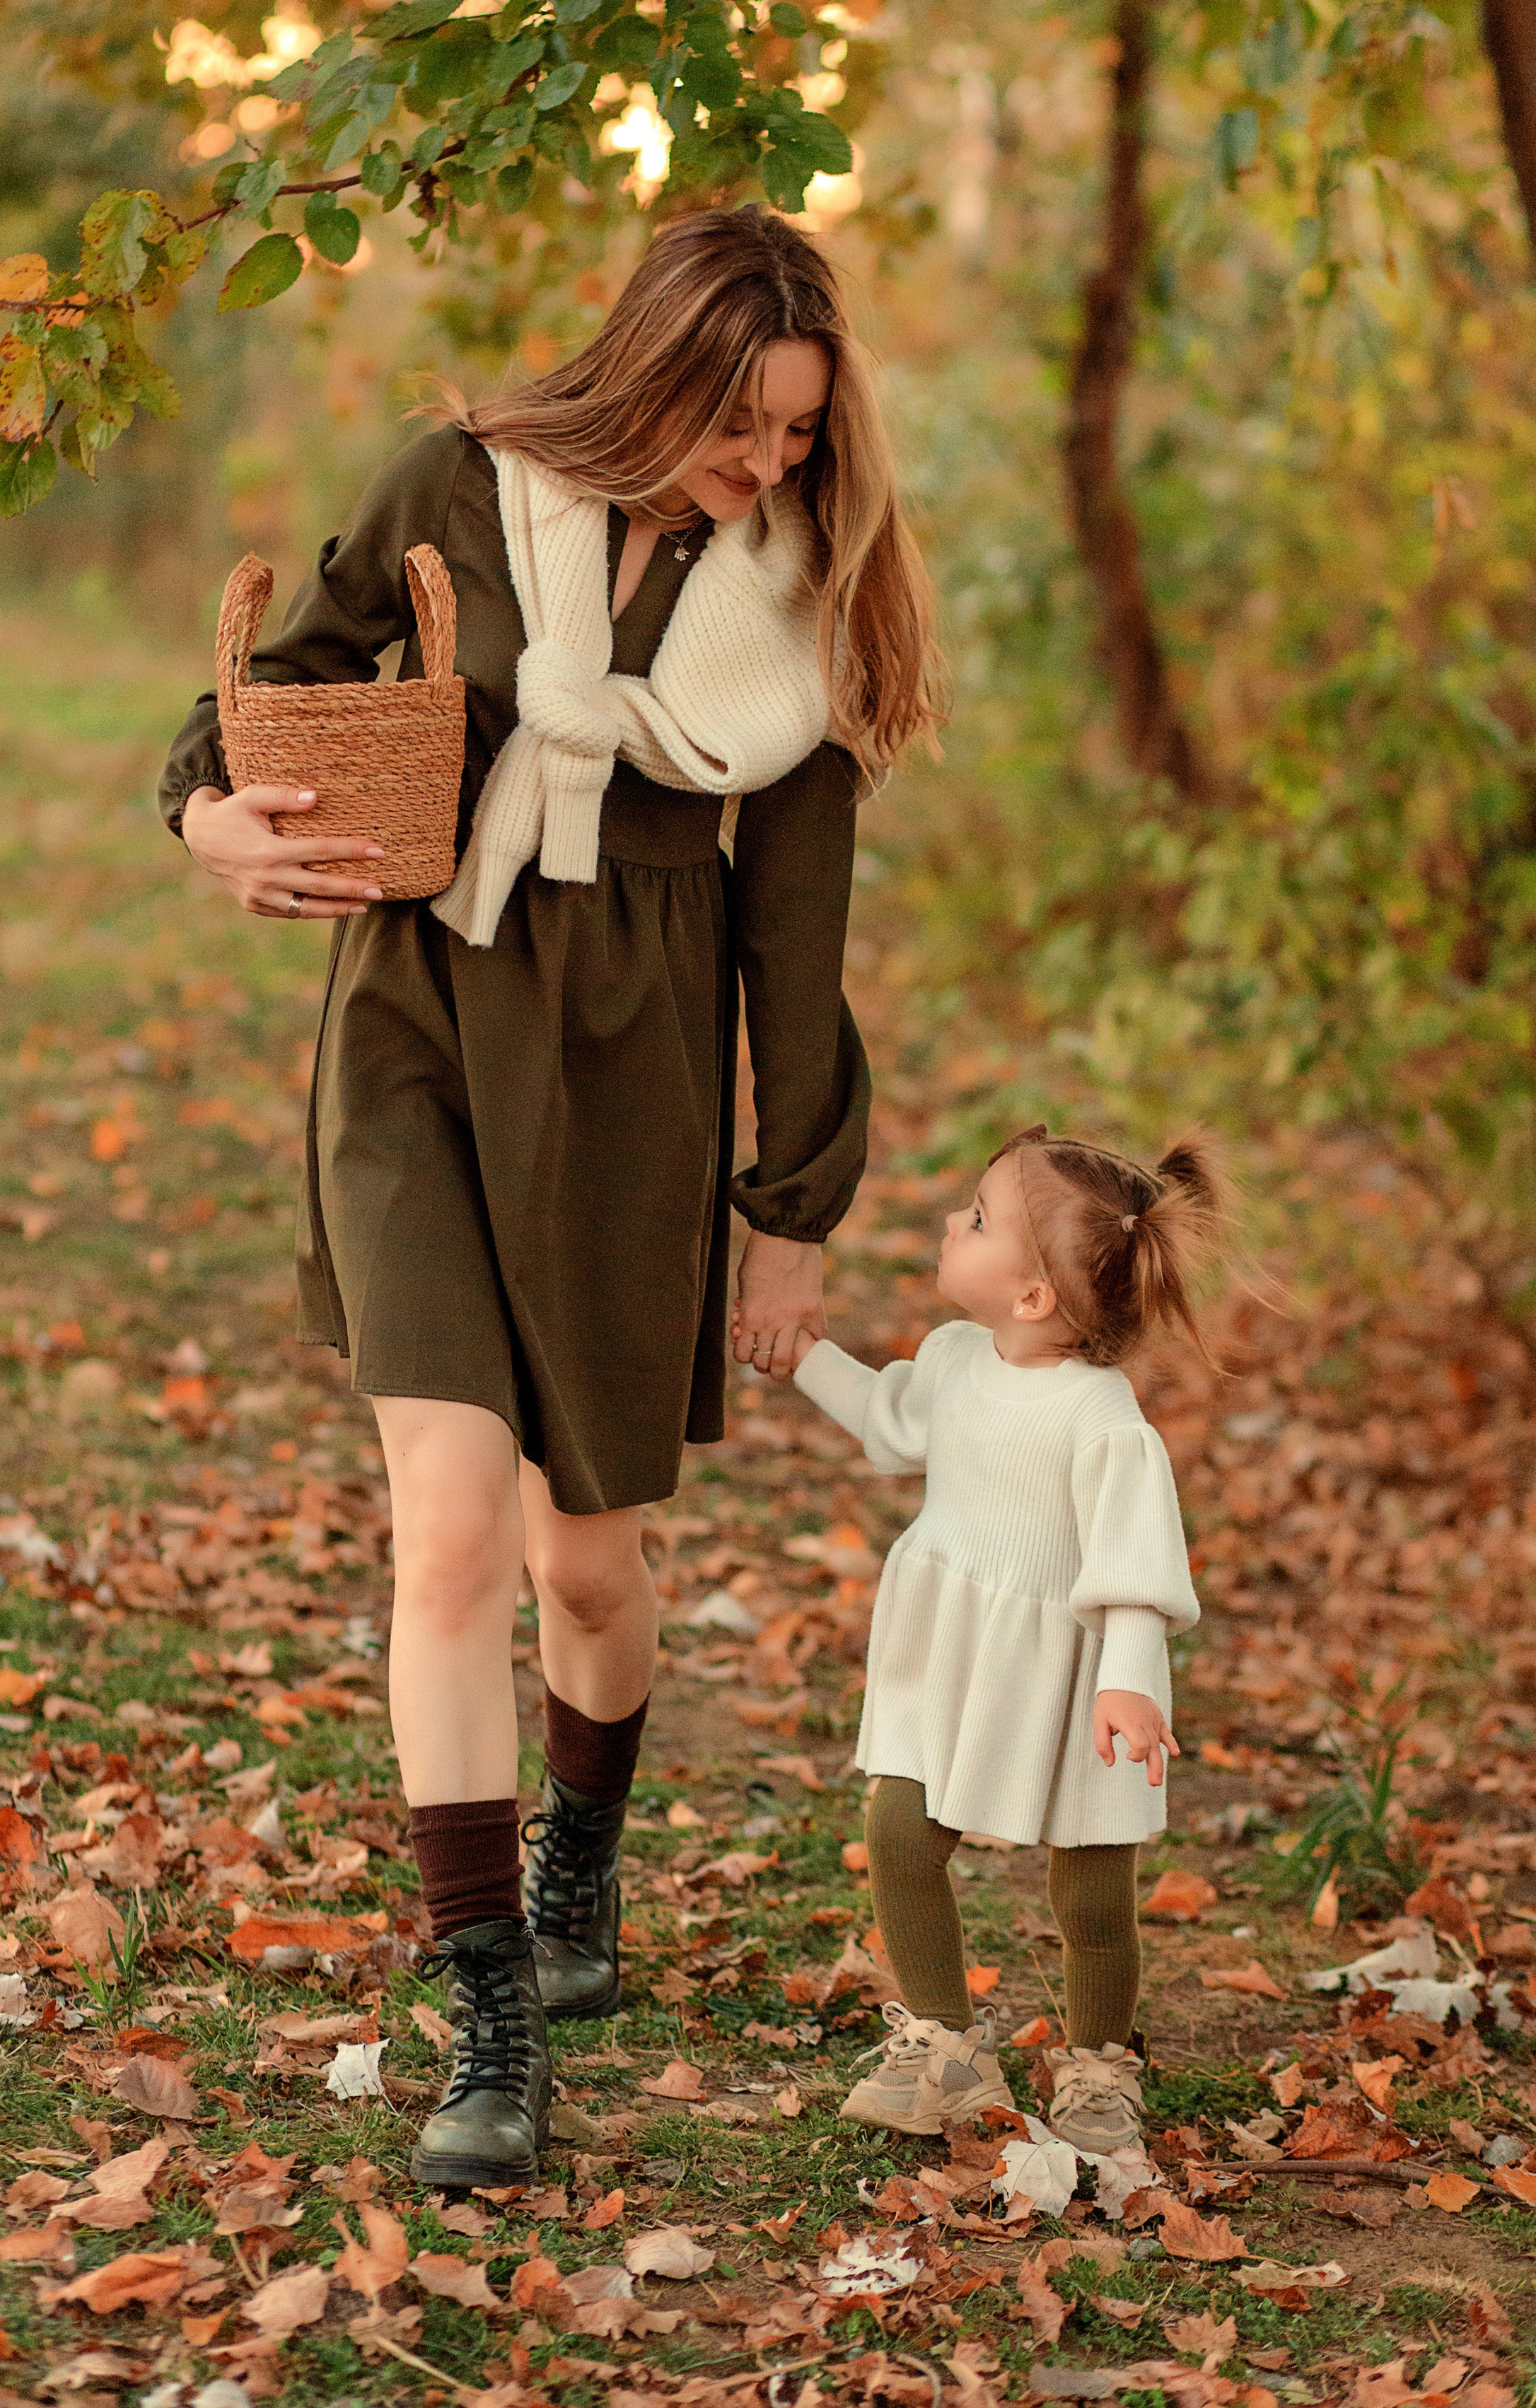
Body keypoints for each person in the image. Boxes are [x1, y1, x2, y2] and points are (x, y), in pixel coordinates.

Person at [157, 204, 943, 2187]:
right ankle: (489, 2011)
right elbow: (268, 687)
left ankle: (583, 1865)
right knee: (446, 1535)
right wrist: (211, 822)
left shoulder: (806, 601)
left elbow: (798, 931)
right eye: (739, 422)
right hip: (421, 1019)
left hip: (635, 1070)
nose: (769, 465)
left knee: (585, 1565)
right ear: (652, 366)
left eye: (797, 435)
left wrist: (793, 1204)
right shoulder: (456, 484)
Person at [789, 1124, 1224, 2154]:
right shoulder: (951, 1360)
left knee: (1090, 1884)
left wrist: (1126, 1683)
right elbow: (886, 1420)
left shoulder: (1102, 1419)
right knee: (901, 1829)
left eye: (978, 1218)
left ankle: (1101, 2064)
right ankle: (942, 2046)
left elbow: (1134, 1574)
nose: (953, 1219)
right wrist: (801, 1354)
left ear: (1033, 1297)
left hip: (1073, 1676)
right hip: (953, 1653)